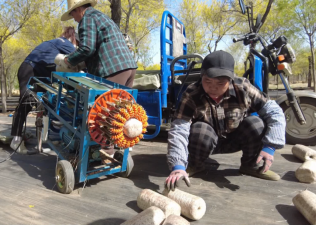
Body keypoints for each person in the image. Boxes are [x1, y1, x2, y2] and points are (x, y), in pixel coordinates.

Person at [165, 50, 286, 191]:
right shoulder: (192, 93)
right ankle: (195, 165)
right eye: (207, 81)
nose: (213, 87)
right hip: (206, 142)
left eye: (220, 83)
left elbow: (274, 111)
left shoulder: (243, 87)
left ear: (230, 79)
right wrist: (178, 165)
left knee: (256, 124)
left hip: (235, 139)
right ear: (201, 76)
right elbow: (179, 129)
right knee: (199, 130)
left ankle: (251, 164)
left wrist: (270, 146)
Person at [61, 0, 138, 160]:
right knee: (122, 111)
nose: (74, 19)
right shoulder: (101, 17)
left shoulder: (86, 19)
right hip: (128, 66)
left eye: (73, 14)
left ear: (79, 9)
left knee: (103, 111)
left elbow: (87, 49)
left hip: (112, 68)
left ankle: (106, 151)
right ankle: (122, 146)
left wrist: (68, 60)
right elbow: (94, 44)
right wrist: (75, 40)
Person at [10, 26, 79, 154]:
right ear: (73, 38)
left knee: (46, 103)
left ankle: (44, 141)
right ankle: (16, 140)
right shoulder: (65, 42)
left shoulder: (56, 45)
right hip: (29, 69)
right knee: (25, 103)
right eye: (78, 43)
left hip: (39, 73)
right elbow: (78, 58)